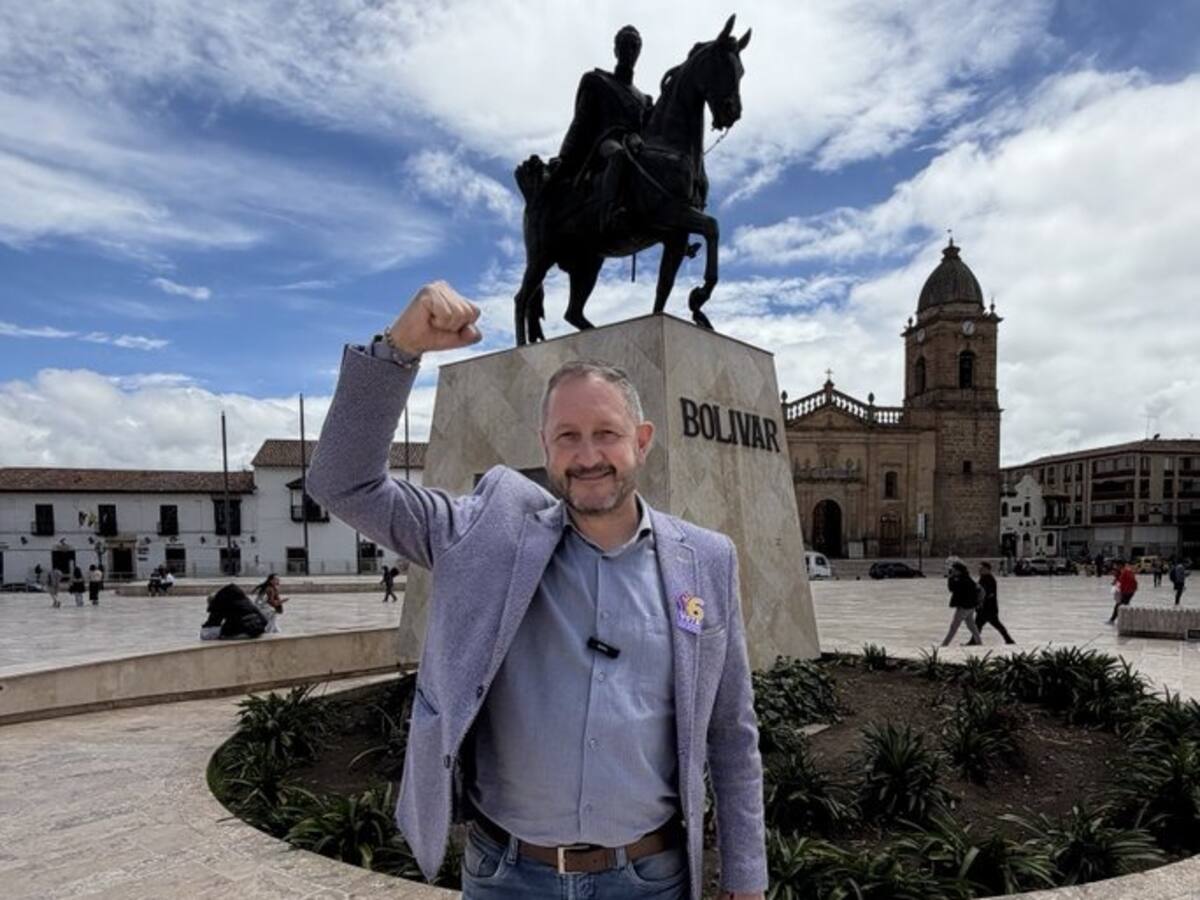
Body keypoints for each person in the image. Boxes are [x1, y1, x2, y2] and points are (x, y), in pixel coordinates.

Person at [306, 281, 767, 900]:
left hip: (648, 879)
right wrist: (399, 351)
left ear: (643, 440)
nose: (587, 455)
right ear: (545, 446)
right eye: (567, 436)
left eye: (606, 433)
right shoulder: (483, 535)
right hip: (508, 876)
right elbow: (343, 483)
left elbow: (731, 732)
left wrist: (746, 879)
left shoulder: (705, 561)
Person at [553, 25, 653, 234]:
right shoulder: (597, 80)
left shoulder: (644, 99)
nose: (630, 51)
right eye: (625, 45)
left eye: (635, 47)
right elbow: (580, 122)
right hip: (606, 143)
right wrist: (565, 157)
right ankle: (609, 214)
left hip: (636, 146)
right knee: (619, 156)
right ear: (616, 50)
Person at [200, 584, 268, 640]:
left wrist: (204, 626)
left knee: (205, 633)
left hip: (242, 631)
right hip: (257, 630)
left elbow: (213, 622)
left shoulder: (219, 601)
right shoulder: (243, 598)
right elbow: (264, 620)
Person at [941, 560, 983, 646]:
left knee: (954, 626)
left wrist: (950, 578)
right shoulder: (966, 578)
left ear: (958, 570)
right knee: (971, 625)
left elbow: (952, 588)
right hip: (970, 606)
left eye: (954, 570)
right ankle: (979, 642)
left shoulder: (961, 580)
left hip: (964, 607)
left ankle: (945, 644)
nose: (953, 571)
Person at [974, 562, 1015, 644]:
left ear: (987, 569)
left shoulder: (990, 579)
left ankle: (1009, 639)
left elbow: (989, 593)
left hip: (989, 608)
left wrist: (981, 601)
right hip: (984, 607)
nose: (979, 570)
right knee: (978, 625)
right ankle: (974, 640)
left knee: (995, 624)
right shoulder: (983, 578)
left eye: (981, 569)